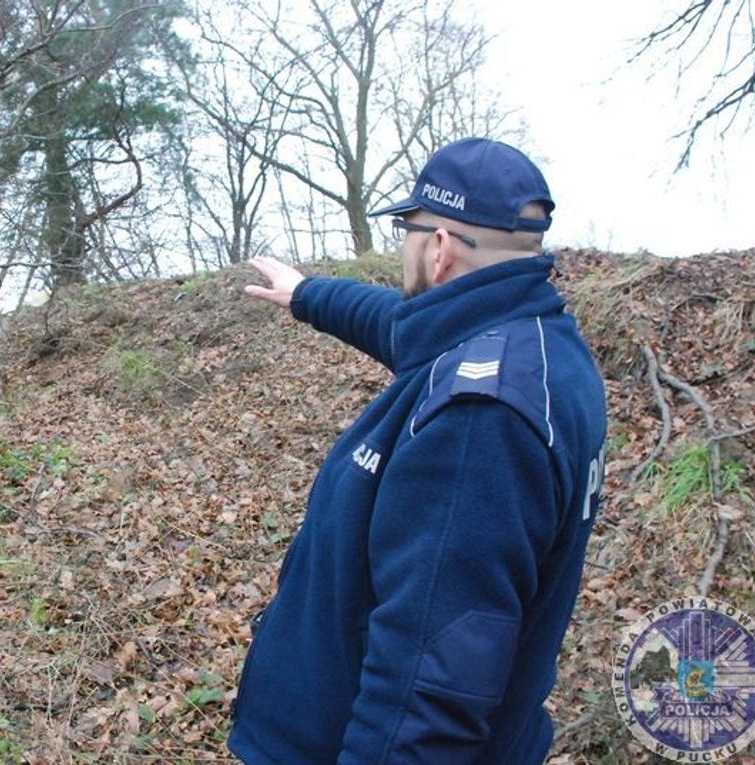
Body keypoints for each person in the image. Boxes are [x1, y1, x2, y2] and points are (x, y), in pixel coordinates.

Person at [228, 137, 608, 764]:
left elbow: (427, 688)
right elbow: (409, 326)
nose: (402, 241)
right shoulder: (540, 347)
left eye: (408, 228)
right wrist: (308, 295)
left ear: (439, 247)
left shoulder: (477, 424)